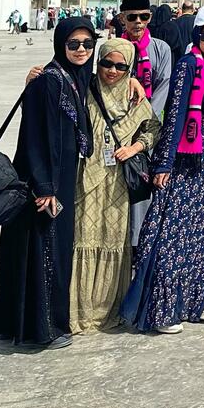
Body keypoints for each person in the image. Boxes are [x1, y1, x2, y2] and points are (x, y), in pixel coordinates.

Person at [122, 6, 204, 335]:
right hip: (185, 163)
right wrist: (165, 163)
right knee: (173, 237)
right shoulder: (188, 65)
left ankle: (192, 304)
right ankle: (163, 310)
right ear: (196, 34)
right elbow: (175, 115)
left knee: (198, 238)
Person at [0, 17, 97, 349]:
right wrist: (45, 187)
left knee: (47, 249)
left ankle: (29, 324)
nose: (81, 50)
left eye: (86, 44)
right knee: (45, 250)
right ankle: (43, 329)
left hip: (60, 175)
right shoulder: (49, 81)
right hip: (46, 180)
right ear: (60, 45)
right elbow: (35, 138)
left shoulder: (74, 79)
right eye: (73, 44)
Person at [71, 39, 159, 334]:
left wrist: (136, 147)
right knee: (84, 237)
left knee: (113, 239)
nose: (113, 70)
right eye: (107, 63)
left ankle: (106, 311)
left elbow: (153, 127)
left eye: (121, 66)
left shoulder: (134, 97)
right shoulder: (84, 86)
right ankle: (79, 312)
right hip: (88, 176)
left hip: (118, 181)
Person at [117, 0, 172, 119]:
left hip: (149, 119)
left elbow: (162, 87)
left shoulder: (162, 49)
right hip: (118, 118)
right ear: (122, 18)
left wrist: (148, 120)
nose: (138, 21)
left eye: (144, 16)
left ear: (150, 18)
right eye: (132, 17)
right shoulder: (115, 49)